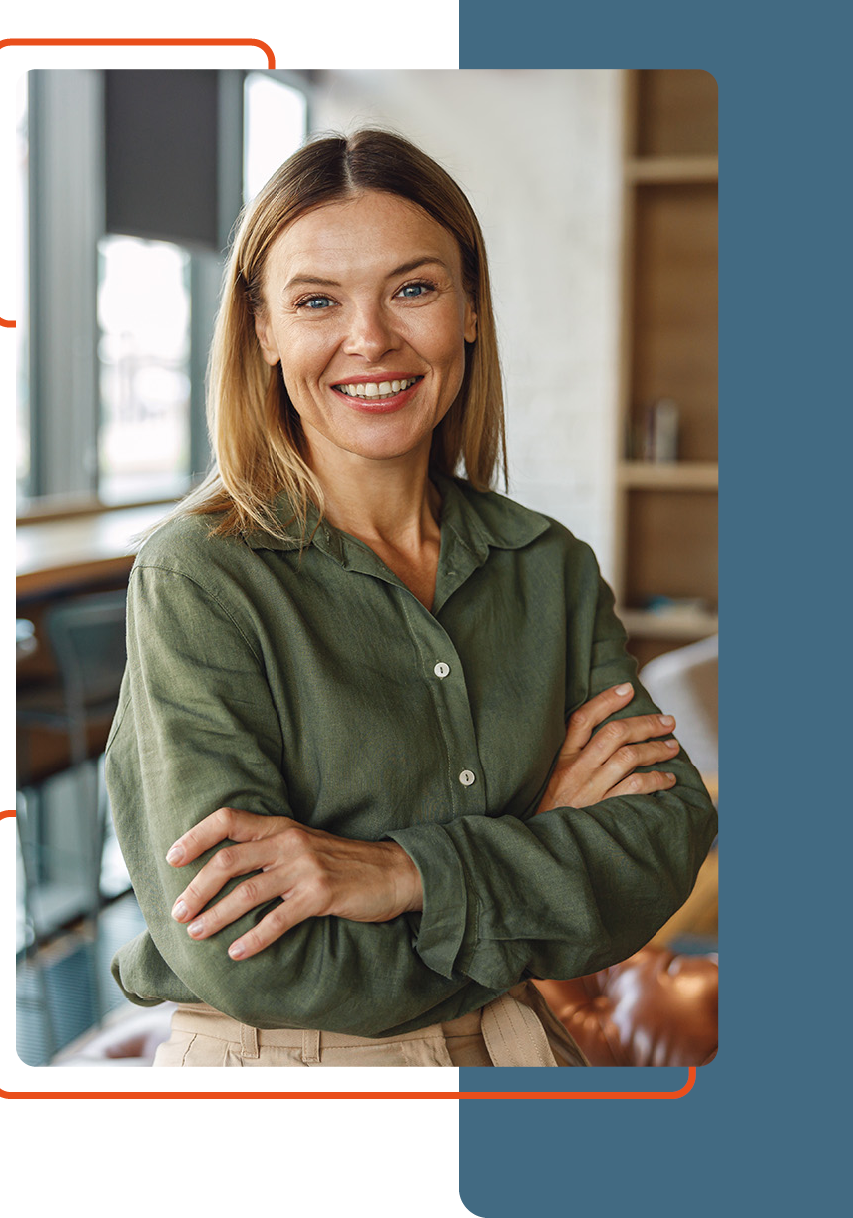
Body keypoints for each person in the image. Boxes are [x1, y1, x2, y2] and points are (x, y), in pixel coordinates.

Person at [103, 128, 718, 1068]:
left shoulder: (548, 567)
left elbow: (661, 846)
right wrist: (535, 850)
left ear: (469, 308)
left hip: (521, 1060)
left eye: (414, 289)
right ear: (264, 329)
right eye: (317, 301)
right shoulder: (201, 578)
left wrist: (400, 874)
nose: (370, 340)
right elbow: (246, 951)